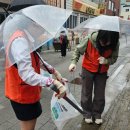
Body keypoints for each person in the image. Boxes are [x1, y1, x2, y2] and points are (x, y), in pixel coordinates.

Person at [5, 29, 67, 130]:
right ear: (32, 23)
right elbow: (27, 74)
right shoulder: (20, 41)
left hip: (28, 92)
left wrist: (55, 72)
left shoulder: (26, 39)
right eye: (41, 28)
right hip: (22, 95)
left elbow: (38, 60)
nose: (43, 31)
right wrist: (53, 82)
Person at [69, 30, 120, 125]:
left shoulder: (115, 43)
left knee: (100, 93)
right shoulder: (89, 39)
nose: (103, 44)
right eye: (102, 41)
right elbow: (77, 50)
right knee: (86, 92)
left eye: (107, 42)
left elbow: (114, 58)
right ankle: (87, 113)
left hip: (102, 72)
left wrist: (106, 61)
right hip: (87, 69)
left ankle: (97, 114)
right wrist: (73, 62)